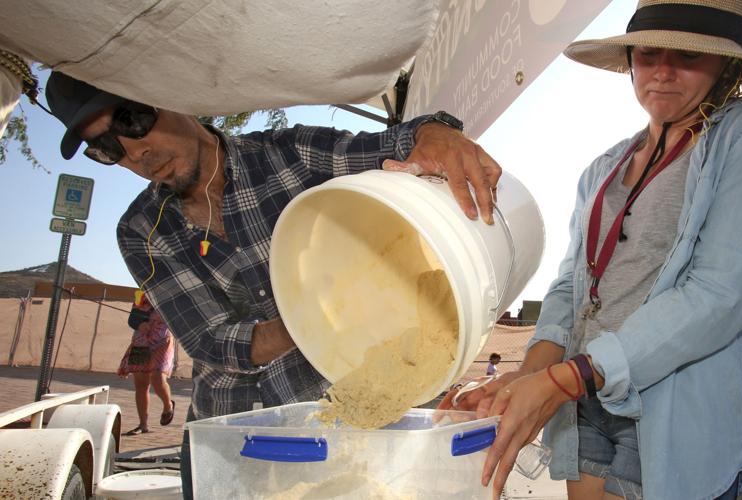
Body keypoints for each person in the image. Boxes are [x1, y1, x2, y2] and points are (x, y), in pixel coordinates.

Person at [45, 71, 501, 498]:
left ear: (173, 93)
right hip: (231, 444)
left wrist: (434, 133)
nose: (132, 152)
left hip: (337, 429)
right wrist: (321, 316)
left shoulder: (292, 153)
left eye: (132, 119)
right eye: (105, 148)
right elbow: (213, 341)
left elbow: (399, 144)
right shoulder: (143, 229)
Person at [439, 1, 742, 498]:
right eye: (648, 52)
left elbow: (720, 293)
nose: (661, 71)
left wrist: (565, 379)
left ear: (727, 63)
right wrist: (525, 379)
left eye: (687, 56)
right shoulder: (603, 167)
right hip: (585, 402)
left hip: (670, 408)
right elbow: (571, 286)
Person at [118, 296, 176, 436]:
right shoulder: (141, 295)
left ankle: (168, 405)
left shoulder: (171, 293)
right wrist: (139, 324)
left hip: (163, 340)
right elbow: (132, 319)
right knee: (141, 384)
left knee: (158, 377)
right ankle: (142, 425)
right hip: (141, 340)